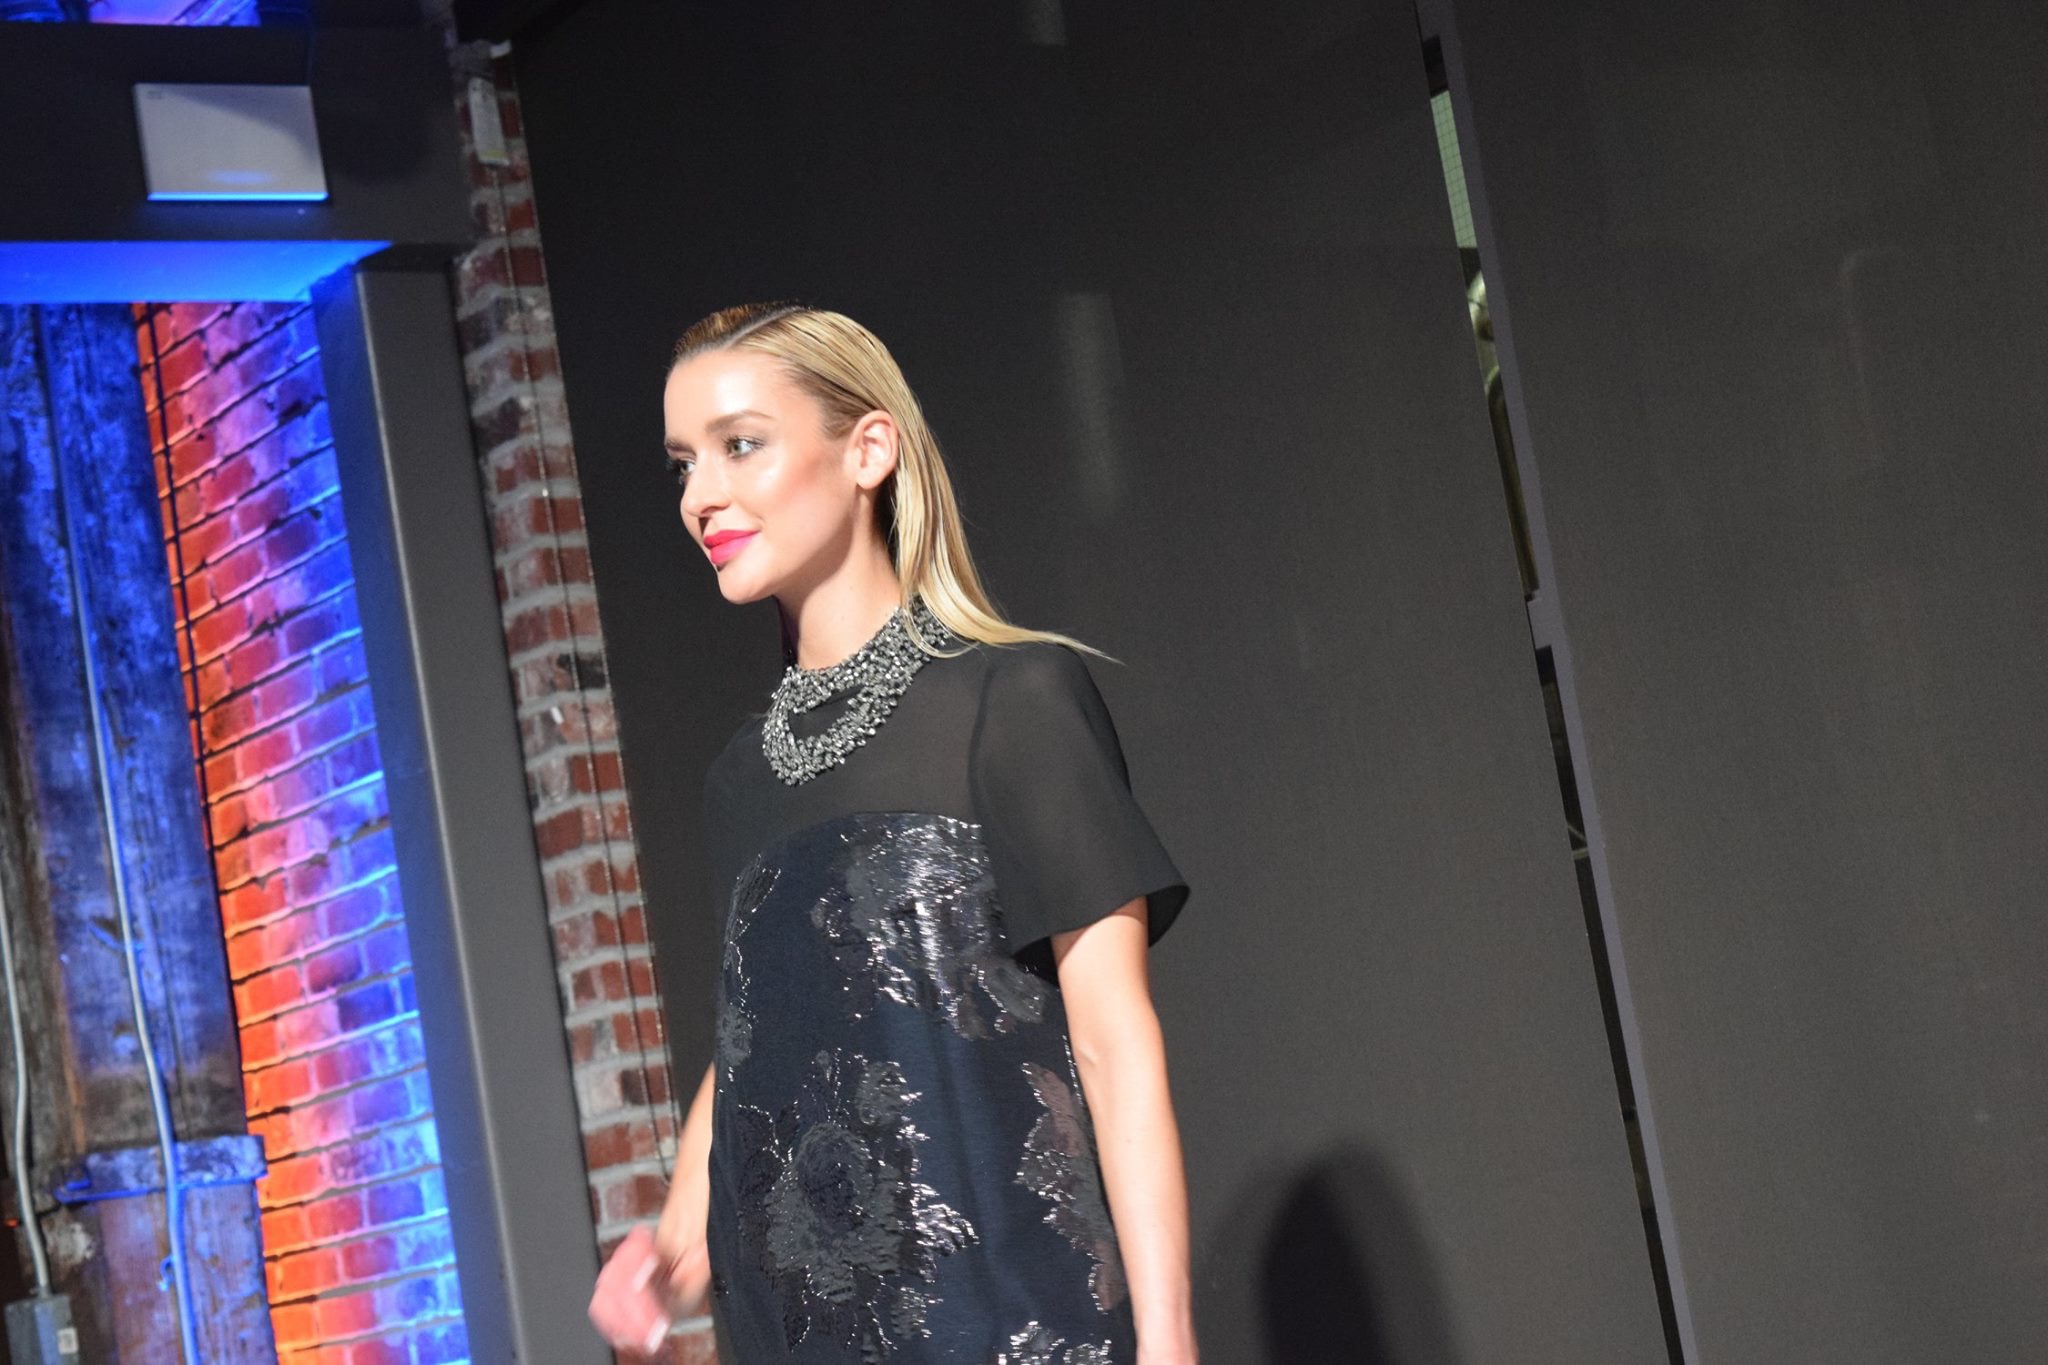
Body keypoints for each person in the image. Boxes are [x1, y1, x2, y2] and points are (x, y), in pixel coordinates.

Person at [587, 302, 1197, 1364]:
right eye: (683, 463)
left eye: (740, 445)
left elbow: (1112, 1037)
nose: (700, 496)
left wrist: (1168, 1335)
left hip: (1012, 1315)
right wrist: (674, 1242)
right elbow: (752, 1038)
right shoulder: (742, 778)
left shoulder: (1012, 701)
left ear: (868, 449)